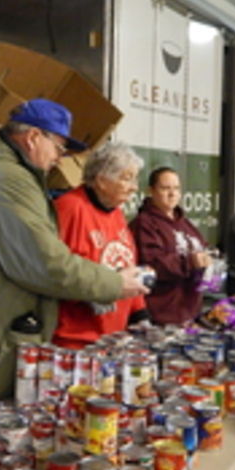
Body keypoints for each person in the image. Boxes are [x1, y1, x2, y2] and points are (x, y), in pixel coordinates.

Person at [0, 99, 148, 418]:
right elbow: (45, 264)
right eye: (59, 147)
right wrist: (115, 283)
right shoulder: (8, 180)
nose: (59, 159)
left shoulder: (0, 173)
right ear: (33, 138)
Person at [53, 141, 149, 348]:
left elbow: (128, 266)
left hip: (114, 338)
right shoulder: (70, 208)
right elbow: (56, 270)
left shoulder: (115, 211)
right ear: (101, 180)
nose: (134, 187)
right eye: (126, 178)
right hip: (76, 340)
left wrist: (140, 316)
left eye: (135, 179)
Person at [129, 166, 211, 325]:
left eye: (176, 188)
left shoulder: (185, 223)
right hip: (161, 315)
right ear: (151, 191)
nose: (172, 193)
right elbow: (152, 265)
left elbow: (203, 248)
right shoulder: (144, 223)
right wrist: (189, 262)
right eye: (165, 188)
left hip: (190, 311)